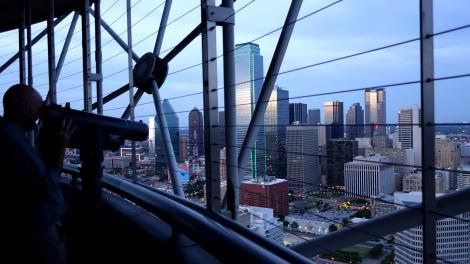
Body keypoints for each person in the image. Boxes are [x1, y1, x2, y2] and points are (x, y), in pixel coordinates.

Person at [0, 84, 74, 264]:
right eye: (39, 107)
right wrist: (59, 150)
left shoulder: (12, 135)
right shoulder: (11, 138)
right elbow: (46, 185)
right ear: (25, 107)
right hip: (39, 235)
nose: (41, 113)